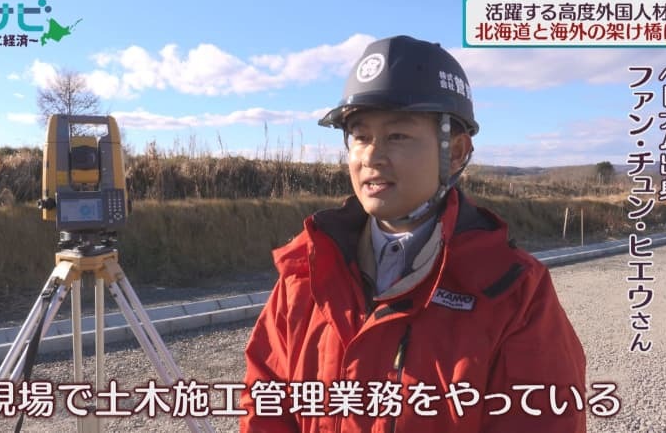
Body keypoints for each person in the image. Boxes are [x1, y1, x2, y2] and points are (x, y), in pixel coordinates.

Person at [240, 35, 586, 432]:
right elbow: (264, 403)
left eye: (397, 135)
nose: (371, 155)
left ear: (455, 153)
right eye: (360, 135)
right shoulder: (305, 275)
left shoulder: (512, 293)